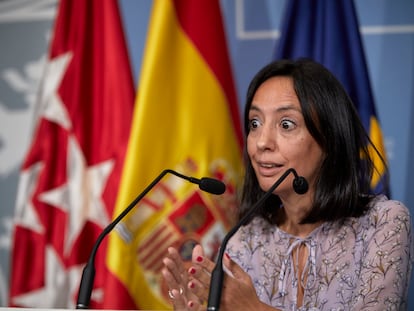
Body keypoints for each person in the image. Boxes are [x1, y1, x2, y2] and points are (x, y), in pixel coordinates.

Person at [161, 59, 413, 311]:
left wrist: (256, 308)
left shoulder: (384, 223)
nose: (261, 143)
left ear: (329, 138)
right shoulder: (245, 240)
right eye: (255, 124)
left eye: (285, 124)